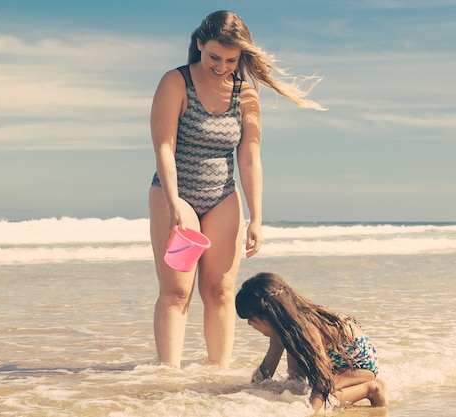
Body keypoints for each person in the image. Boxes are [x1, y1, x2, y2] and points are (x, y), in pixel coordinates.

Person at [149, 10, 324, 369]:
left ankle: (218, 373)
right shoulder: (175, 82)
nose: (222, 66)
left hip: (222, 197)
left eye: (232, 60)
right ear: (199, 44)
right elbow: (164, 147)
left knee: (220, 291)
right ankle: (168, 377)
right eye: (214, 57)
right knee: (177, 292)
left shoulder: (246, 93)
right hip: (173, 193)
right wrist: (174, 203)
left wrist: (257, 217)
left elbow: (249, 158)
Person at [236, 272, 387, 413]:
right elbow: (265, 371)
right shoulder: (283, 329)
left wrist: (310, 412)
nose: (250, 323)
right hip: (334, 359)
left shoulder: (306, 329)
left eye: (251, 318)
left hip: (358, 363)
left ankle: (371, 389)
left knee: (326, 402)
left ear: (269, 315)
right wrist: (245, 392)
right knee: (295, 387)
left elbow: (322, 380)